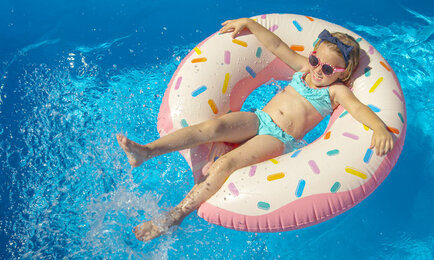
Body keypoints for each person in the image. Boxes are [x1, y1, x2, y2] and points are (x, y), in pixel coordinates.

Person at [117, 18, 394, 242]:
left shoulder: (335, 92)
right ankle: (147, 151)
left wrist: (379, 127)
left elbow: (358, 109)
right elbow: (276, 45)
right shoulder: (303, 70)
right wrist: (249, 23)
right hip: (259, 119)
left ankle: (175, 215)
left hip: (277, 138)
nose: (318, 70)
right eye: (314, 61)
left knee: (226, 163)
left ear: (343, 73)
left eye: (328, 68)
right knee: (213, 127)